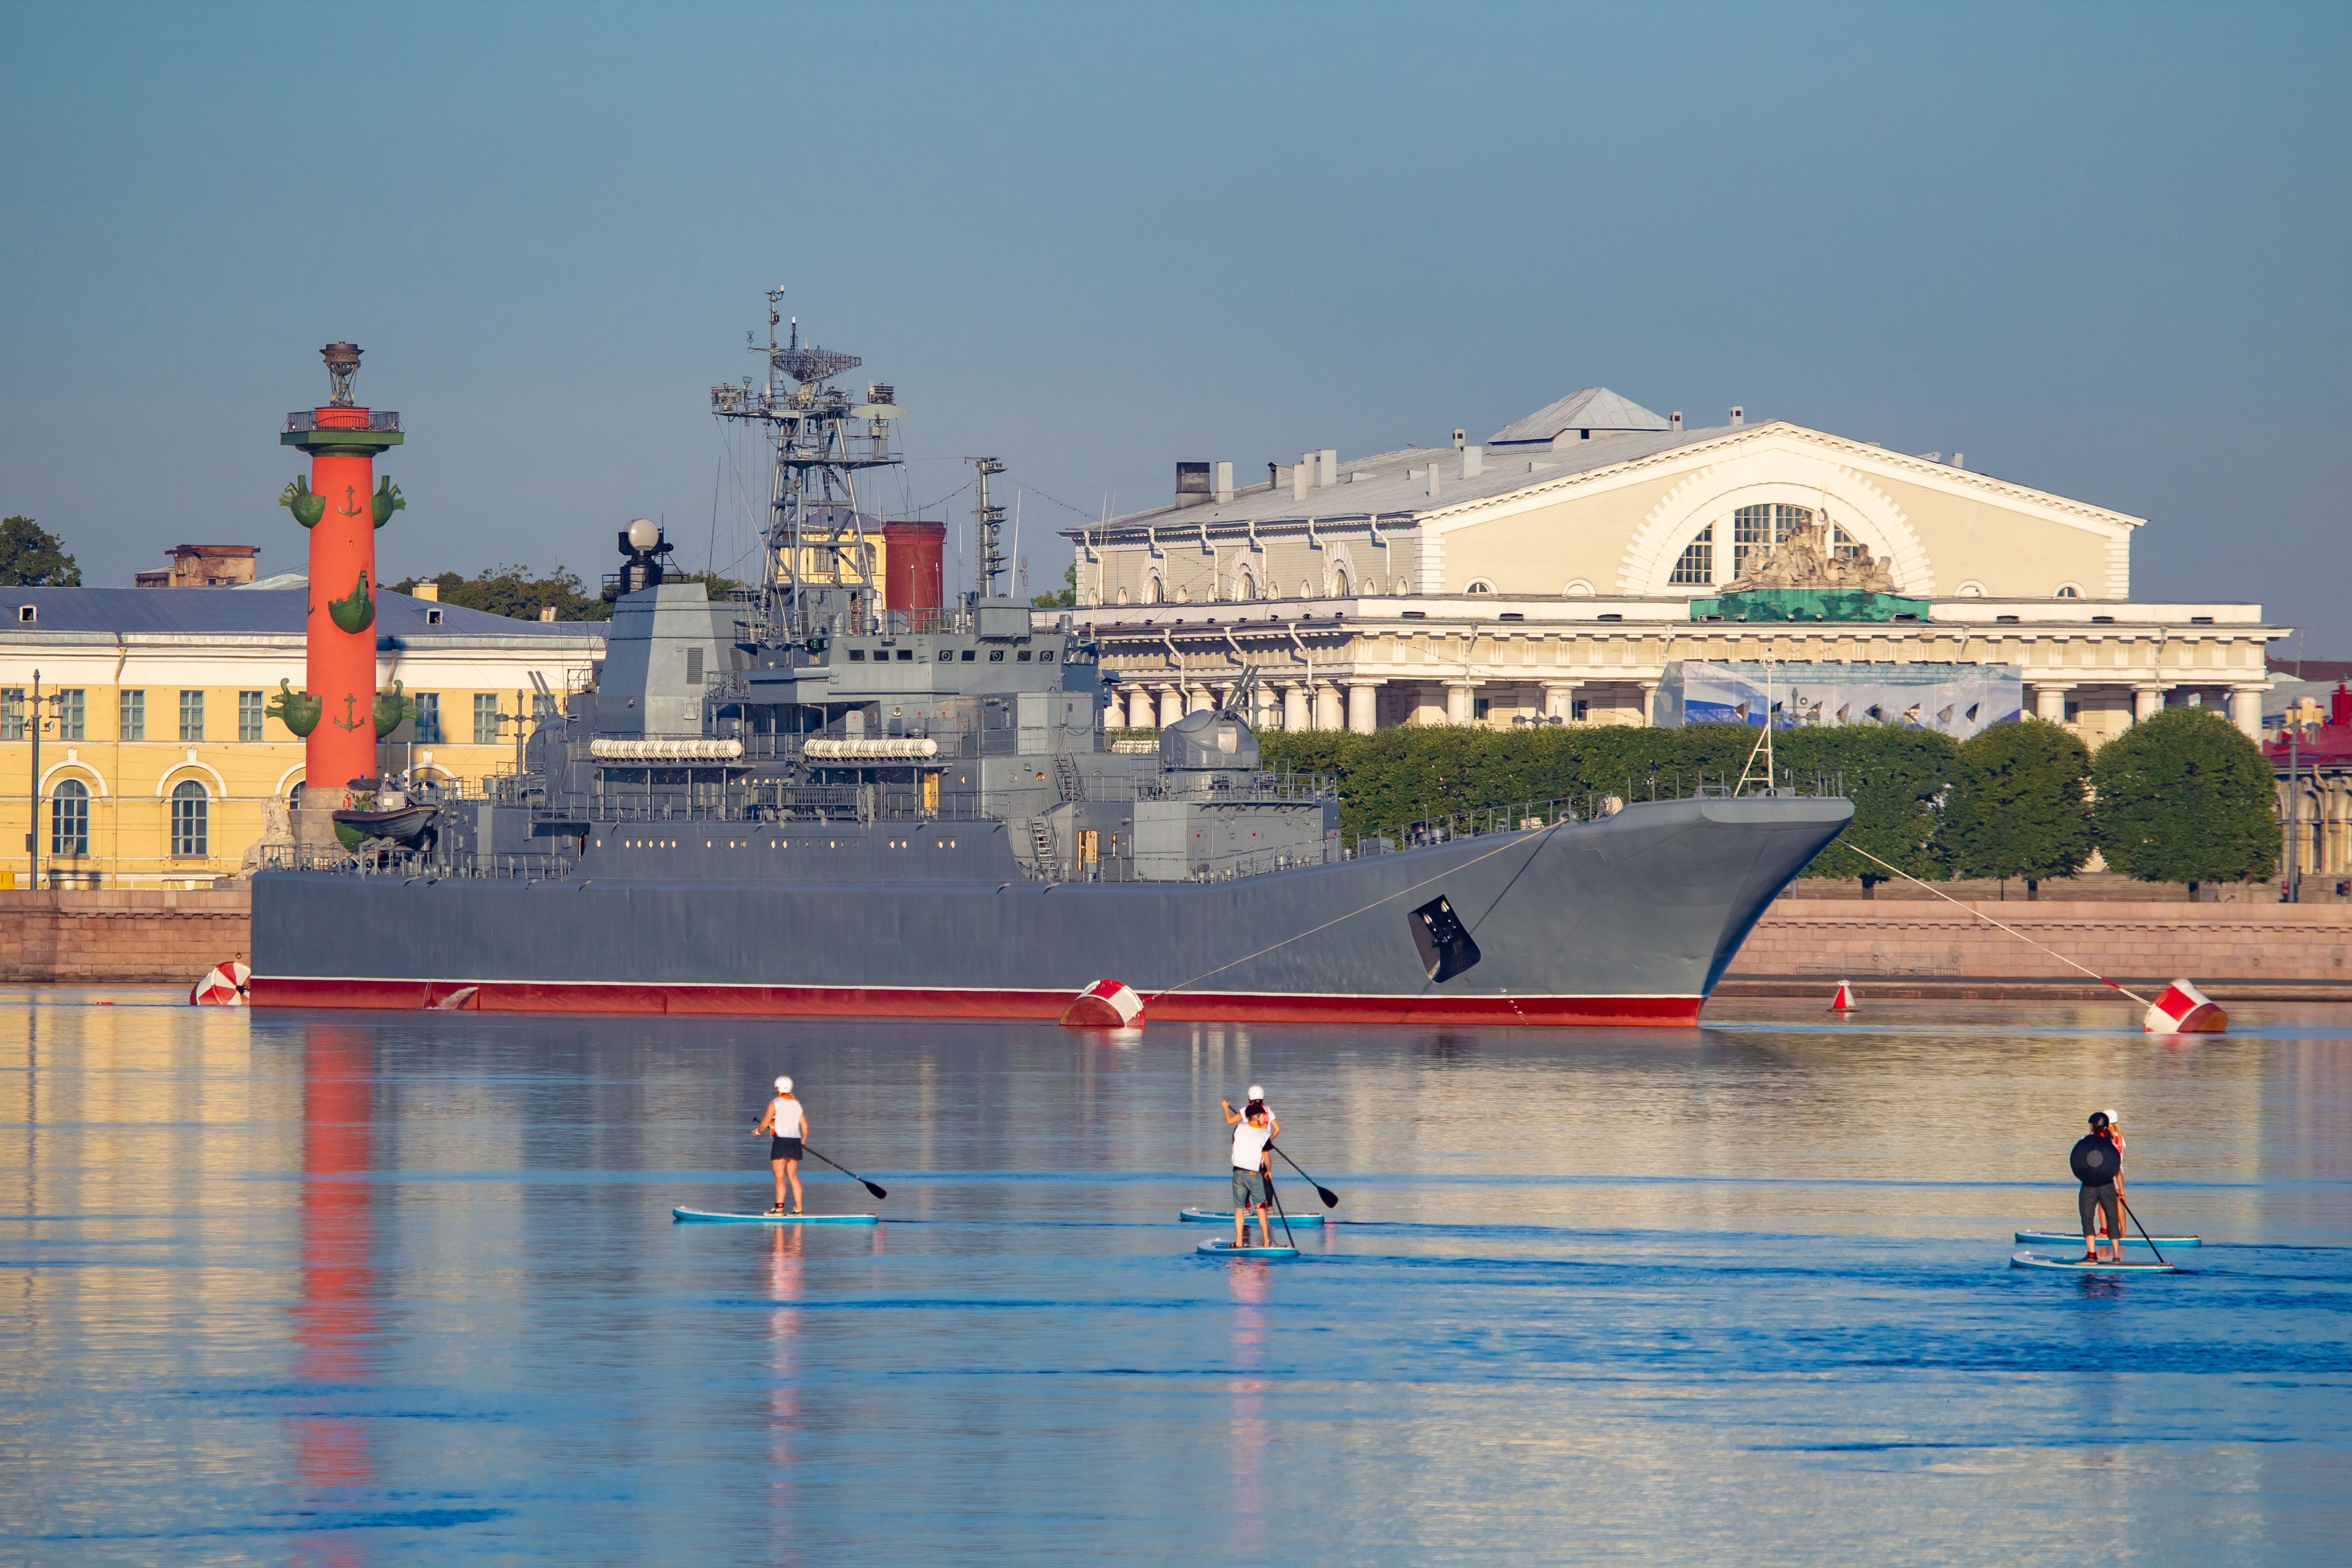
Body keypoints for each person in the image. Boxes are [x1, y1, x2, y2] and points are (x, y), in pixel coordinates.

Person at [1221, 1087, 1280, 1249]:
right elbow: (1266, 1157)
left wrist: (1225, 1108)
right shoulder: (1263, 1134)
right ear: (1258, 1116)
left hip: (1237, 1172)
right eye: (1262, 1116)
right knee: (1260, 1208)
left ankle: (1239, 1242)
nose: (1264, 1118)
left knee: (1239, 1209)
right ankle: (1267, 1243)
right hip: (1254, 1172)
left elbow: (1234, 1142)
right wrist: (1268, 1170)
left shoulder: (1239, 1128)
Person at [2070, 1110, 2125, 1262]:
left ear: (2093, 1127)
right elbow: (2117, 1165)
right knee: (2112, 1218)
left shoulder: (2085, 1141)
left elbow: (2077, 1160)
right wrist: (2121, 1190)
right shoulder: (2113, 1142)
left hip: (2089, 1185)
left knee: (2087, 1219)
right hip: (2107, 1184)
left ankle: (2092, 1254)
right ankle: (2116, 1255)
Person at [754, 1075, 809, 1216]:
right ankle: (799, 1209)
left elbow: (764, 1124)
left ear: (778, 1088)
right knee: (793, 1177)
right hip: (795, 1142)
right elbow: (805, 1126)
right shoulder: (797, 1104)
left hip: (781, 1143)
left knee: (779, 1177)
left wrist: (757, 1132)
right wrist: (803, 1139)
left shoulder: (775, 1103)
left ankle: (779, 1209)